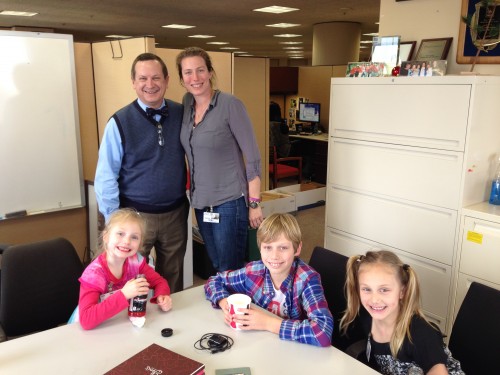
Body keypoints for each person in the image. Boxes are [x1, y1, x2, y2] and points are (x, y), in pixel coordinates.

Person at [94, 52, 189, 293]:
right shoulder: (119, 122)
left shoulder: (182, 114)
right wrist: (114, 223)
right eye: (143, 78)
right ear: (133, 82)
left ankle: (171, 325)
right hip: (134, 217)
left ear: (167, 80)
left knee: (173, 278)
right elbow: (106, 176)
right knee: (130, 281)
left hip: (175, 214)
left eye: (156, 77)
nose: (150, 84)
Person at [175, 46, 263, 272]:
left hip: (229, 202)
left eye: (200, 70)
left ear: (211, 72)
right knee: (216, 264)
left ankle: (239, 307)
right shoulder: (186, 104)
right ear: (181, 78)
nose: (195, 78)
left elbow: (252, 157)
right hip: (202, 203)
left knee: (229, 267)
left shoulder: (230, 105)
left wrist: (254, 204)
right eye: (188, 72)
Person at [204, 213, 333, 347]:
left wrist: (266, 322)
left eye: (283, 248)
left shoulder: (307, 280)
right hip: (261, 345)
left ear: (297, 249)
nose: (274, 256)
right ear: (260, 248)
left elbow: (322, 333)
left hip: (294, 349)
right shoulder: (254, 271)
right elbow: (215, 280)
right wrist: (223, 302)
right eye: (268, 247)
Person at [340, 250, 464, 375]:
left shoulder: (420, 333)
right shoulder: (367, 316)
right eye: (367, 289)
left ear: (402, 292)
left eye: (384, 290)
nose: (374, 299)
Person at [74, 208, 172, 330]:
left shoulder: (135, 261)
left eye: (134, 237)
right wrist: (124, 294)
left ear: (140, 244)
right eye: (120, 234)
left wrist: (162, 296)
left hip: (120, 325)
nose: (126, 241)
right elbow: (86, 320)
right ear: (106, 237)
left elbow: (159, 282)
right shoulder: (94, 274)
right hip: (96, 331)